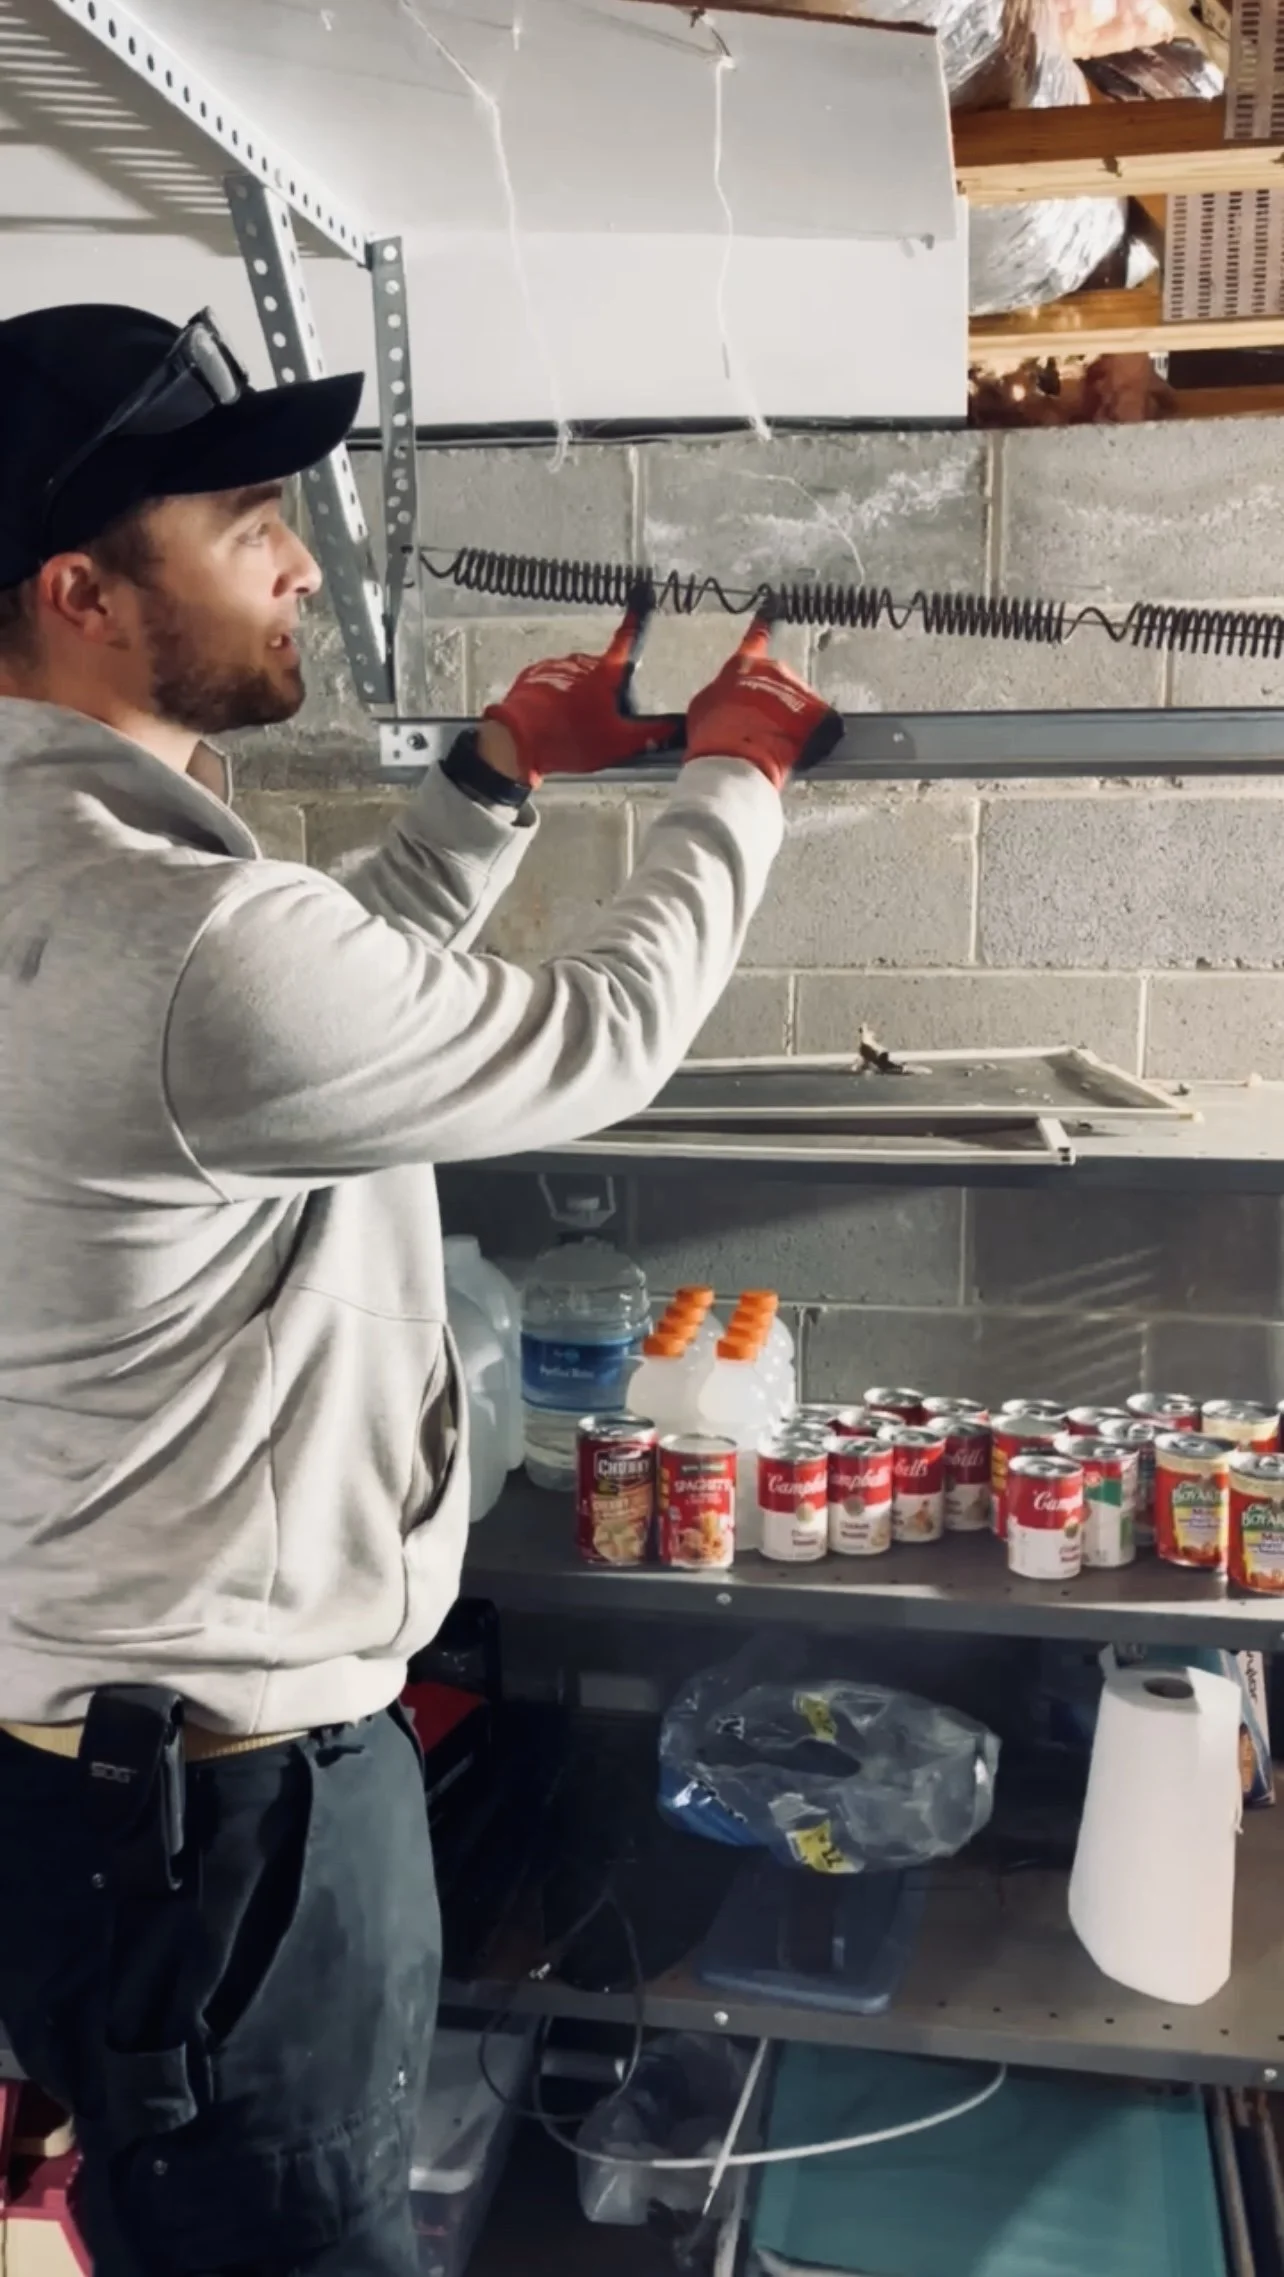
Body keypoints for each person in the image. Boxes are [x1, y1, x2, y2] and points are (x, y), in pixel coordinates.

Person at [0, 302, 841, 2275]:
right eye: (244, 519)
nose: (302, 558)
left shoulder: (85, 878)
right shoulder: (165, 930)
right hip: (235, 1825)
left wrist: (491, 775)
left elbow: (303, 1009)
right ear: (77, 589)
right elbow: (592, 1037)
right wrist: (741, 782)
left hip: (102, 1784)